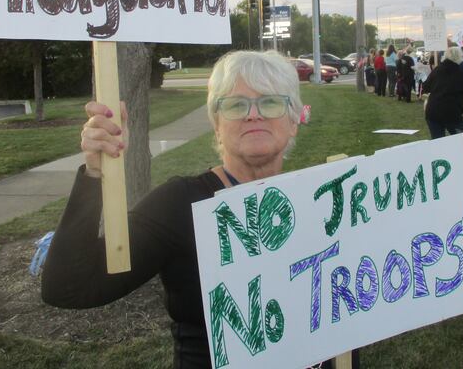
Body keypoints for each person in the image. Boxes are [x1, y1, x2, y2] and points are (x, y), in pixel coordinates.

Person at [41, 51, 306, 368]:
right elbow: (69, 286)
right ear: (217, 125)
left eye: (270, 102)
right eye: (236, 105)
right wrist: (96, 172)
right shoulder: (180, 205)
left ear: (293, 122)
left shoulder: (322, 203)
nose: (253, 114)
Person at [422, 46, 463, 139]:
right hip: (451, 112)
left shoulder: (437, 70)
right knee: (461, 141)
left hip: (433, 111)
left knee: (438, 142)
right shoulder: (460, 73)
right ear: (459, 57)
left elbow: (425, 87)